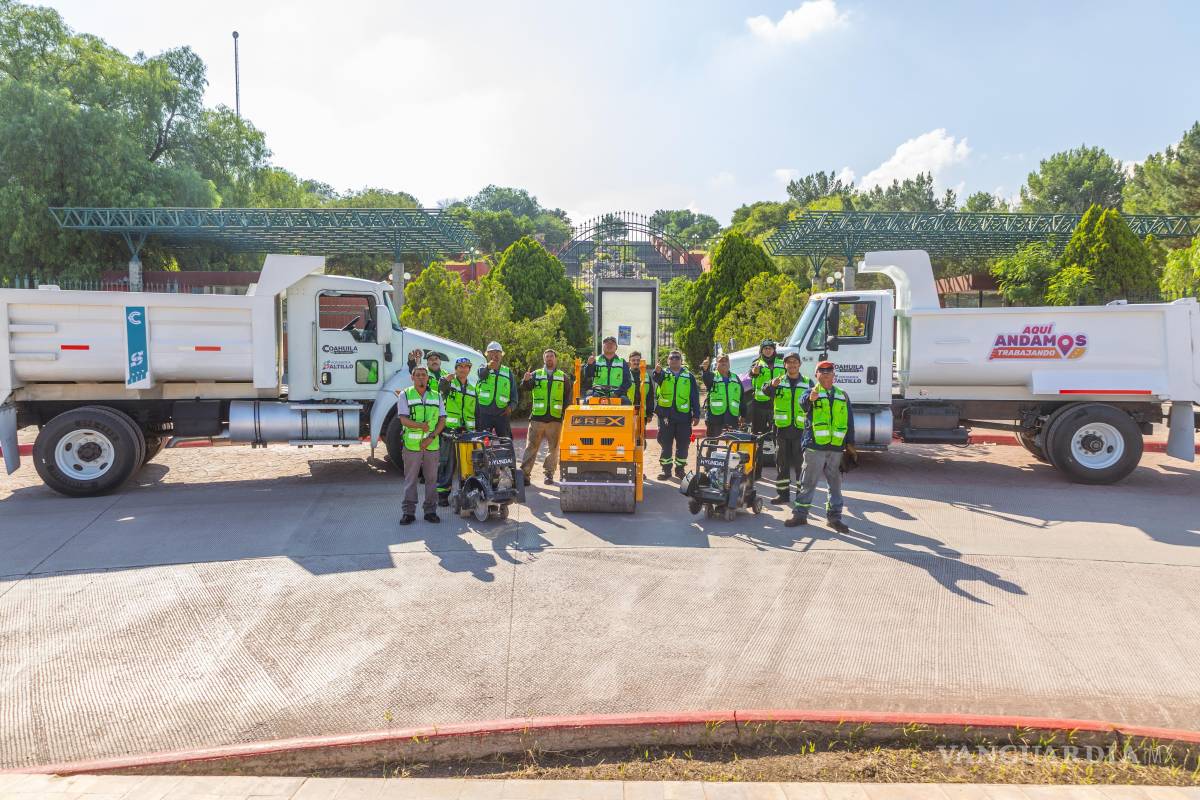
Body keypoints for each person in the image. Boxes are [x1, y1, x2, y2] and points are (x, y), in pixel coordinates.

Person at [786, 360, 854, 532]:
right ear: (816, 375)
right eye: (821, 371)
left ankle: (834, 518)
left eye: (829, 371)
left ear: (833, 375)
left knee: (835, 485)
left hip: (836, 448)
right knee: (807, 482)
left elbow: (849, 421)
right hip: (815, 447)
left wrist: (851, 443)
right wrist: (810, 398)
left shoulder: (842, 395)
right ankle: (800, 515)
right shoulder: (811, 392)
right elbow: (803, 403)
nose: (825, 373)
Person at [396, 365, 446, 525]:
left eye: (424, 375)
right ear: (412, 378)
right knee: (411, 480)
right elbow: (403, 420)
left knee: (432, 480)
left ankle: (430, 511)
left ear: (428, 378)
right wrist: (420, 426)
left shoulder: (437, 396)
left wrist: (430, 436)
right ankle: (408, 513)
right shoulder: (405, 395)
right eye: (417, 375)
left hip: (432, 445)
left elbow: (442, 420)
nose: (421, 377)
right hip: (412, 446)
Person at [520, 348, 572, 484]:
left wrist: (564, 415)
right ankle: (525, 475)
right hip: (537, 418)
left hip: (555, 419)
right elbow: (526, 387)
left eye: (551, 356)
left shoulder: (563, 377)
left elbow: (568, 397)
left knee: (553, 449)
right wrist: (525, 381)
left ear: (555, 359)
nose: (549, 358)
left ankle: (549, 474)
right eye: (547, 356)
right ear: (544, 359)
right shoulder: (535, 374)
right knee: (531, 446)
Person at [764, 352, 808, 504]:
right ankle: (783, 495)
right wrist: (771, 385)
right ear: (785, 365)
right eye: (789, 362)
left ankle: (801, 496)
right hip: (781, 430)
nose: (792, 365)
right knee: (781, 463)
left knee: (800, 465)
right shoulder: (778, 381)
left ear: (799, 364)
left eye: (795, 362)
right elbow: (765, 391)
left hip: (800, 431)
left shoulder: (808, 383)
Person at [652, 350, 700, 480]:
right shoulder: (663, 374)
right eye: (671, 358)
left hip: (684, 416)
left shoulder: (689, 376)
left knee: (683, 444)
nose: (674, 360)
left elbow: (694, 396)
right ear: (668, 361)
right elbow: (656, 377)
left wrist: (696, 414)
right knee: (666, 443)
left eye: (677, 357)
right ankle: (666, 471)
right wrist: (656, 371)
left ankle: (680, 469)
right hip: (666, 415)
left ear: (681, 360)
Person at [435, 356, 476, 506]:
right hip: (450, 431)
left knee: (468, 463)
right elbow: (441, 388)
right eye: (460, 366)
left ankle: (468, 492)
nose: (463, 369)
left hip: (468, 432)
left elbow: (475, 410)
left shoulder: (473, 388)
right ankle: (442, 495)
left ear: (469, 369)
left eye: (466, 366)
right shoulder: (449, 384)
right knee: (447, 463)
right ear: (456, 369)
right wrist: (445, 380)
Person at [476, 341, 517, 438]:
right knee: (482, 444)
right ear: (487, 355)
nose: (494, 355)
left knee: (506, 443)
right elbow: (481, 375)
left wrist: (511, 407)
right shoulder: (482, 368)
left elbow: (514, 394)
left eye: (497, 353)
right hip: (484, 414)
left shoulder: (507, 372)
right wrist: (488, 367)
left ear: (501, 355)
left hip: (502, 414)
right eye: (491, 353)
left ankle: (506, 454)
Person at [748, 340, 786, 437]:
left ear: (774, 350)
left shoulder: (782, 363)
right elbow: (751, 374)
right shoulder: (756, 363)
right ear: (761, 350)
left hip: (777, 403)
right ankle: (758, 452)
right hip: (760, 405)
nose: (768, 350)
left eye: (770, 348)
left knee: (776, 434)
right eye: (765, 348)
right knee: (757, 434)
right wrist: (754, 372)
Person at [699, 353, 743, 437]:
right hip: (714, 418)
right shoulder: (712, 376)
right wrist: (705, 370)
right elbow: (706, 379)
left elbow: (742, 397)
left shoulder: (735, 378)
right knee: (712, 445)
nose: (724, 363)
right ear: (717, 364)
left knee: (733, 446)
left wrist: (743, 415)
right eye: (721, 361)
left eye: (726, 361)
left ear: (729, 363)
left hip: (732, 418)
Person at [625, 350, 655, 420]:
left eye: (638, 360)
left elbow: (650, 396)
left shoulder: (646, 376)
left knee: (641, 431)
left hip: (642, 414)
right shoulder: (625, 375)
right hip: (628, 412)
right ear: (629, 362)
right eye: (633, 360)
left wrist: (649, 414)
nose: (636, 362)